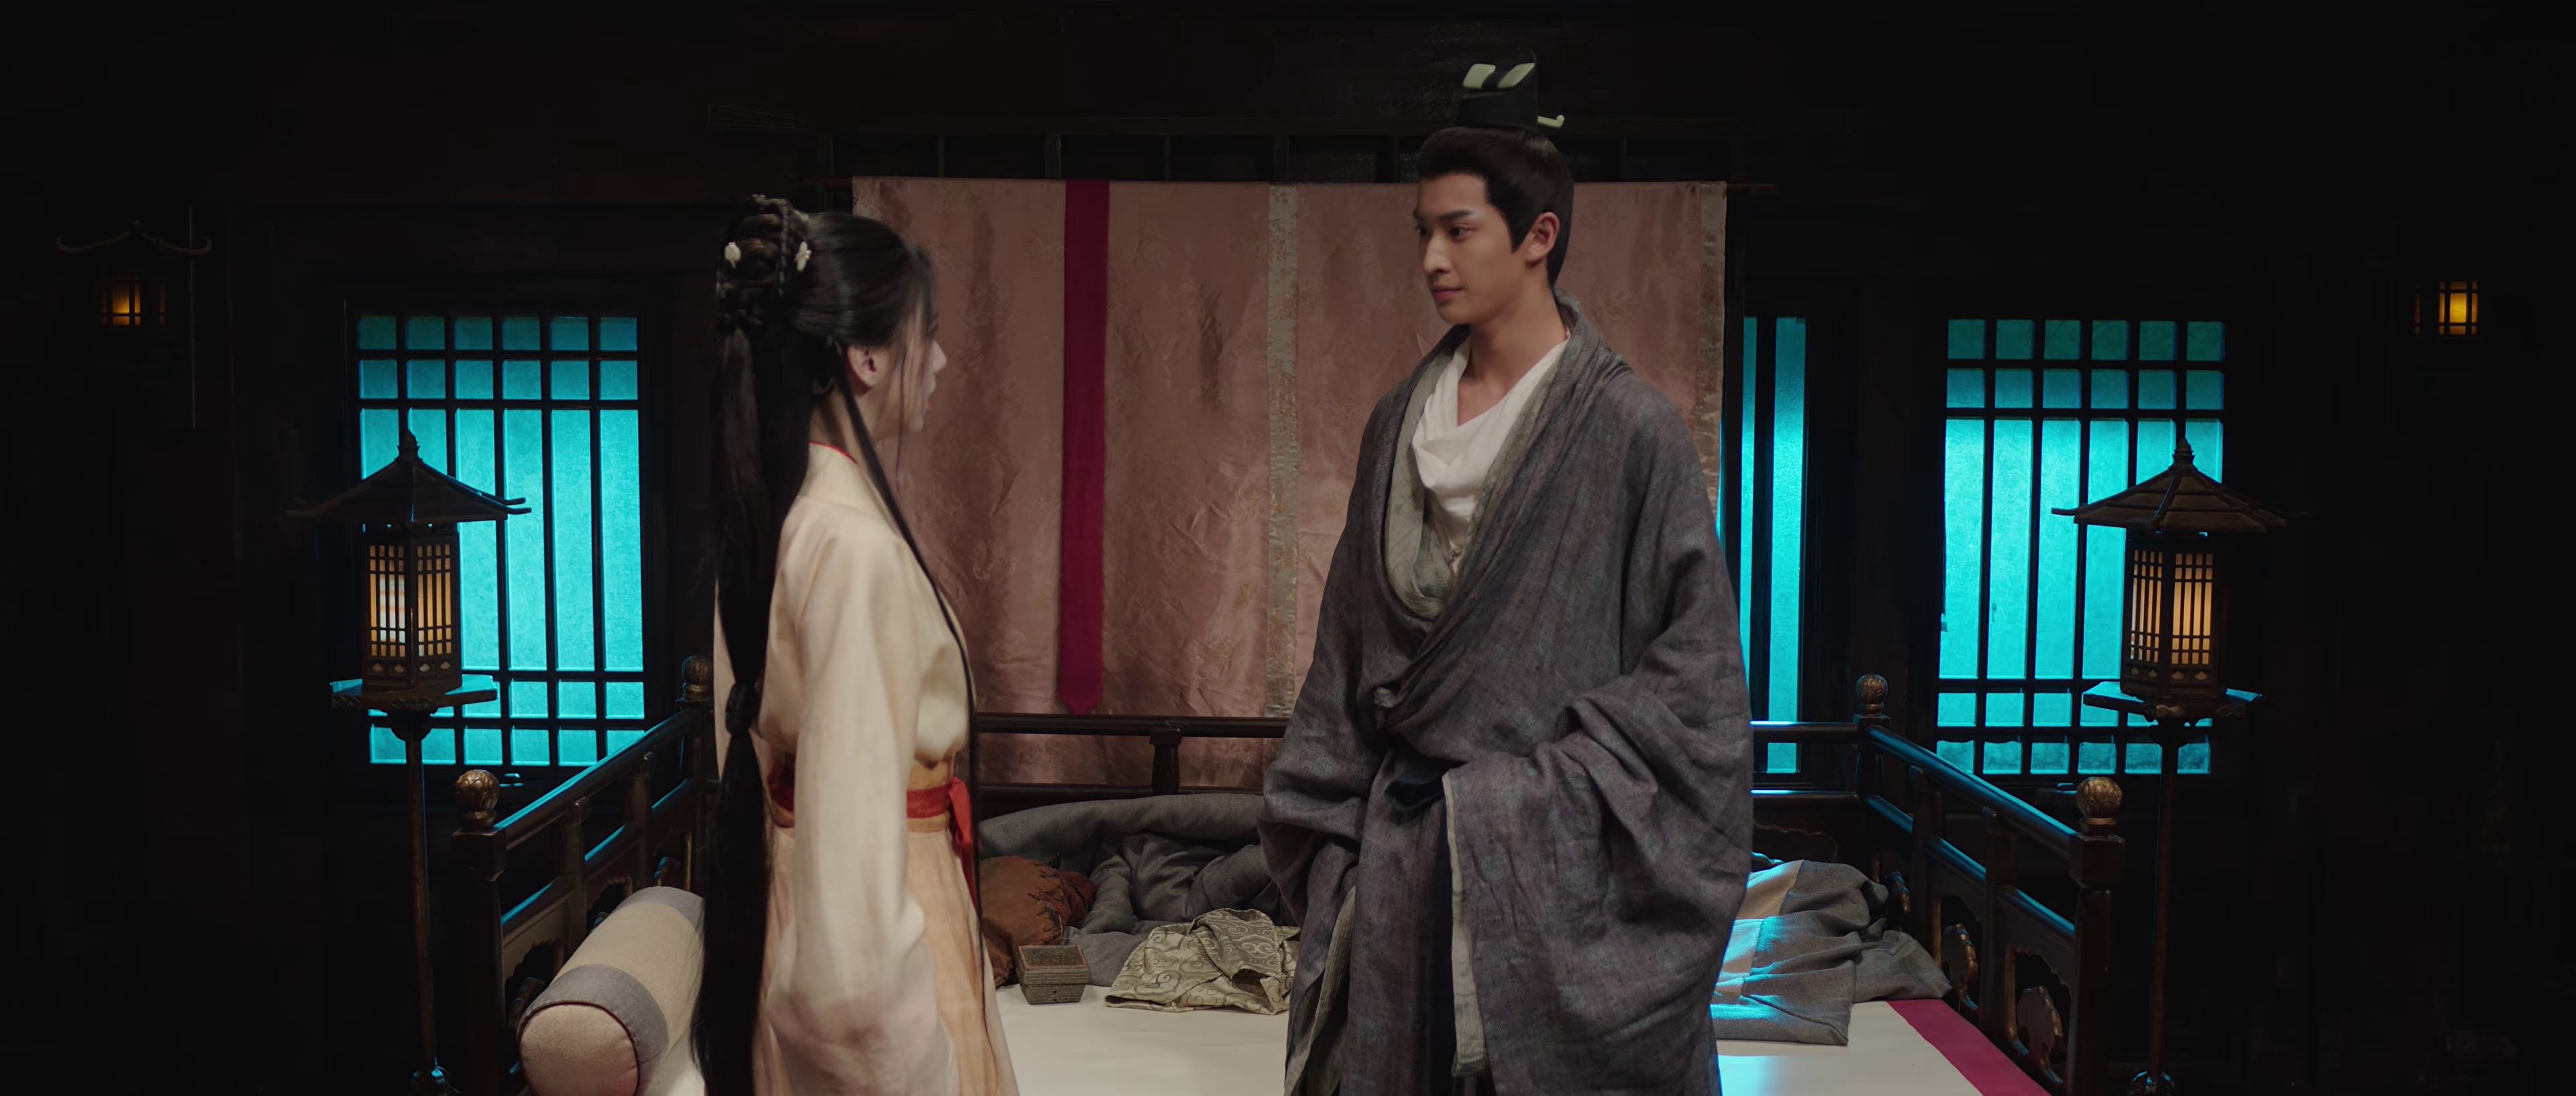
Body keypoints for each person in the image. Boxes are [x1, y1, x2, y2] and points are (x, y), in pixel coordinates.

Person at [1259, 64, 1754, 1096]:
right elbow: (1343, 665)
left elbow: (1696, 691)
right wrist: (1338, 860)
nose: (1432, 259)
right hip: (1401, 873)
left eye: (1460, 230)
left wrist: (1523, 800)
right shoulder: (1397, 424)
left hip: (1553, 874)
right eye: (1422, 232)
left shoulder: (1631, 431)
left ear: (1539, 236)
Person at [696, 196, 1018, 1096]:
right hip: (879, 918)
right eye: (928, 335)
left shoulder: (780, 521)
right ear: (866, 357)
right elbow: (850, 963)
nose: (941, 361)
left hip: (790, 901)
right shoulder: (853, 549)